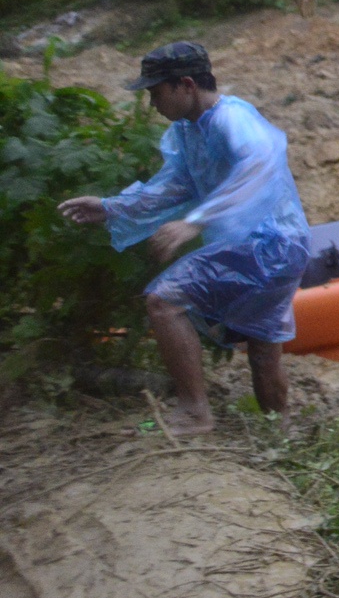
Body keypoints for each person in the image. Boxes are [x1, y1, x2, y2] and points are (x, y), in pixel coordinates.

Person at [59, 41, 311, 435]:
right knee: (262, 348)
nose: (152, 103)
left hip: (268, 243)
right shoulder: (188, 132)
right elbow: (174, 186)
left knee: (164, 302)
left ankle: (195, 413)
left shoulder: (233, 118)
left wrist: (196, 222)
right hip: (280, 246)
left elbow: (261, 164)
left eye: (156, 92)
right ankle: (280, 435)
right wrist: (111, 207)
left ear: (186, 85)